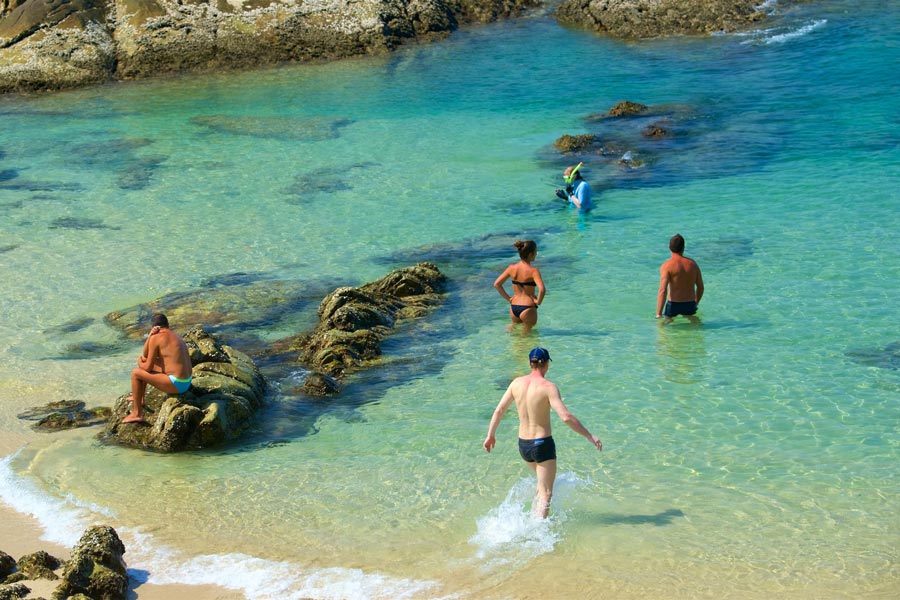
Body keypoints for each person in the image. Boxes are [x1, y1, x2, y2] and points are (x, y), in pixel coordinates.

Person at [483, 347, 602, 518]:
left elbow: (499, 410)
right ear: (547, 364)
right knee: (546, 493)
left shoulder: (516, 383)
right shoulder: (548, 387)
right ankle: (538, 533)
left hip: (523, 446)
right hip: (542, 445)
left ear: (530, 363)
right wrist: (590, 436)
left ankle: (532, 522)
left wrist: (490, 435)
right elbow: (566, 417)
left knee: (541, 486)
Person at [122, 313, 193, 423]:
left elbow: (147, 366)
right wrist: (151, 336)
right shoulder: (176, 335)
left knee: (136, 373)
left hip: (178, 384)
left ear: (153, 327)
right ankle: (139, 398)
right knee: (145, 364)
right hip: (187, 381)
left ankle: (137, 413)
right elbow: (146, 354)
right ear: (167, 325)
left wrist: (139, 362)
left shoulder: (157, 337)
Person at [493, 240, 546, 332]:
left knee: (514, 336)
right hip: (528, 308)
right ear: (530, 254)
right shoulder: (533, 271)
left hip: (514, 307)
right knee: (526, 338)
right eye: (535, 252)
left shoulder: (511, 268)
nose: (536, 254)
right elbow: (542, 290)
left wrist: (509, 299)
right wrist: (538, 302)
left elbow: (497, 284)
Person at [656, 233, 704, 324]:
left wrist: (658, 313)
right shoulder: (693, 264)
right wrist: (695, 303)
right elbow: (700, 287)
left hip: (673, 305)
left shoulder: (667, 266)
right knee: (695, 324)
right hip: (689, 303)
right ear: (683, 247)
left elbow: (663, 290)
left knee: (664, 326)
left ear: (669, 247)